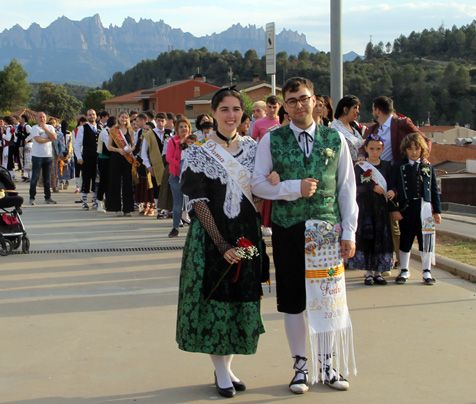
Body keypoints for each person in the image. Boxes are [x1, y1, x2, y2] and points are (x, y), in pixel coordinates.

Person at [251, 77, 358, 394]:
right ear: (284, 105)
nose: (299, 105)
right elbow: (257, 183)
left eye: (304, 98)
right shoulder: (272, 140)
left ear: (316, 101)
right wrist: (290, 188)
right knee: (294, 301)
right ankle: (300, 366)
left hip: (326, 231)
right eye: (292, 100)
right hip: (288, 229)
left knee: (327, 299)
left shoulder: (334, 139)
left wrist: (349, 232)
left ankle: (327, 365)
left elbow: (346, 189)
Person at [177, 86, 267, 399]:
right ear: (214, 113)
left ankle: (227, 367)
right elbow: (198, 201)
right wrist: (221, 243)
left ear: (243, 113)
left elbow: (260, 189)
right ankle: (219, 371)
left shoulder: (255, 149)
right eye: (224, 109)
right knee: (215, 299)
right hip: (210, 236)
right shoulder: (198, 152)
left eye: (236, 110)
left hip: (246, 232)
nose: (231, 116)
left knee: (239, 300)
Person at [365, 96, 426, 274]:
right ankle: (381, 261)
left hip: (397, 175)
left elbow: (422, 139)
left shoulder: (401, 123)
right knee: (380, 220)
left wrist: (423, 158)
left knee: (395, 220)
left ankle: (400, 262)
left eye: (373, 109)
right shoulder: (373, 129)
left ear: (377, 109)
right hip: (378, 174)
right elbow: (365, 146)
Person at [392, 133, 442, 285]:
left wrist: (437, 211)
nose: (414, 152)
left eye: (417, 148)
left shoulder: (428, 167)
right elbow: (393, 189)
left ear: (422, 149)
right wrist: (395, 209)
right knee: (406, 239)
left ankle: (426, 271)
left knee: (425, 240)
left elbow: (434, 190)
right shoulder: (399, 167)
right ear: (405, 150)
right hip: (407, 208)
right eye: (410, 149)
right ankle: (404, 269)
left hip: (425, 209)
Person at [347, 135, 396, 285]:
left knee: (381, 238)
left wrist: (393, 191)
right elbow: (355, 187)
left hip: (381, 209)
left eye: (378, 149)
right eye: (372, 148)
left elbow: (394, 183)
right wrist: (371, 188)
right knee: (367, 239)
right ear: (366, 149)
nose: (375, 152)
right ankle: (368, 272)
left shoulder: (387, 166)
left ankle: (378, 272)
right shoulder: (360, 166)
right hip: (366, 208)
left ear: (382, 149)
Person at [166, 117, 191, 237]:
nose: (183, 129)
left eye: (186, 126)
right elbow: (168, 158)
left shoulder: (193, 141)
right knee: (178, 203)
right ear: (176, 129)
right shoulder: (172, 141)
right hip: (176, 175)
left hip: (191, 176)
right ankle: (175, 227)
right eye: (181, 127)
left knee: (195, 203)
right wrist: (181, 165)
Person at [107, 112, 135, 216]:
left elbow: (133, 145)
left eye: (126, 117)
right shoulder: (113, 131)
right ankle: (116, 208)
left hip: (127, 159)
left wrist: (130, 150)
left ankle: (127, 209)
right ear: (118, 118)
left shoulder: (130, 130)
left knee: (127, 183)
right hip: (116, 158)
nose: (124, 119)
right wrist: (119, 150)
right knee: (115, 183)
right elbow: (109, 147)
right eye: (122, 117)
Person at [29, 112, 57, 205]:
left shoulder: (50, 127)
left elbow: (54, 137)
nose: (42, 118)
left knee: (47, 179)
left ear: (46, 118)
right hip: (37, 156)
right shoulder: (34, 128)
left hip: (48, 156)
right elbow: (38, 140)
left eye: (43, 117)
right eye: (40, 117)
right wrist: (49, 139)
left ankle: (48, 198)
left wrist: (45, 128)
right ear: (36, 118)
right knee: (35, 178)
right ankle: (32, 197)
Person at [73, 109, 99, 210]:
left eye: (93, 114)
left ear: (96, 116)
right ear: (87, 116)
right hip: (87, 157)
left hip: (97, 158)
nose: (92, 116)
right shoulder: (82, 128)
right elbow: (77, 144)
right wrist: (79, 157)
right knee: (86, 179)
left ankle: (95, 200)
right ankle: (84, 201)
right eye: (90, 115)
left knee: (96, 179)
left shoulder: (100, 127)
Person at [331, 95, 365, 162]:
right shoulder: (334, 128)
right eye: (355, 108)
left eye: (358, 108)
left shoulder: (354, 129)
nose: (358, 111)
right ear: (345, 109)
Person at [96, 116, 116, 212]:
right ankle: (99, 203)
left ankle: (109, 204)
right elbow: (109, 147)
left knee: (110, 182)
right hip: (104, 160)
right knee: (103, 182)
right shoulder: (105, 132)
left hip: (111, 160)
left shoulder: (112, 132)